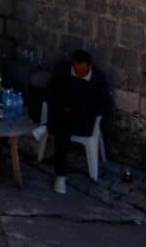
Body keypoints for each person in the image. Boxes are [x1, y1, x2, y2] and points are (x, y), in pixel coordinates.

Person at [45, 49, 110, 192]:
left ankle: (45, 128)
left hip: (84, 121)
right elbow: (50, 94)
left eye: (82, 70)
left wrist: (83, 109)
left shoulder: (98, 79)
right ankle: (61, 175)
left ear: (89, 66)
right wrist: (62, 105)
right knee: (62, 130)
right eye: (76, 69)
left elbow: (105, 105)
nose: (78, 73)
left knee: (63, 126)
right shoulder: (63, 72)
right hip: (63, 116)